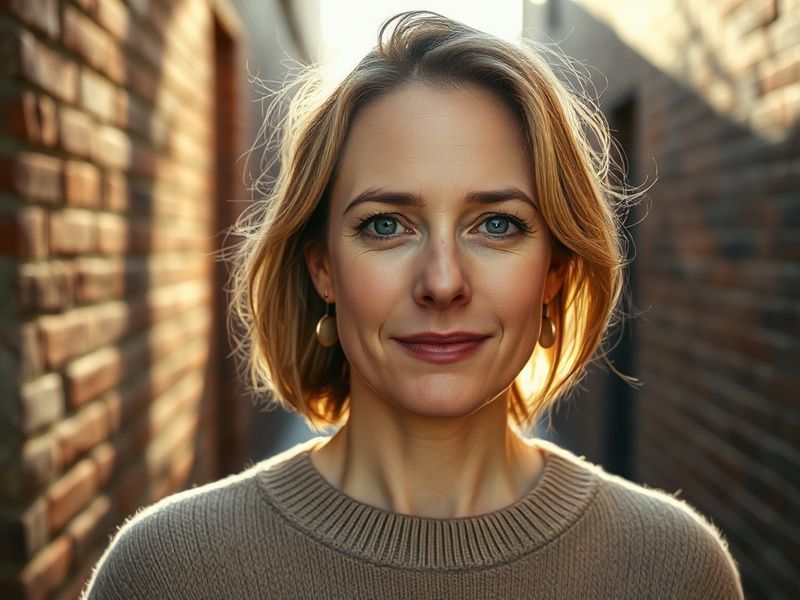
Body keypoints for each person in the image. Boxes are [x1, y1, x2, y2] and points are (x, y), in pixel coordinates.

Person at [83, 12, 743, 599]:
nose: (443, 281)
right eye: (385, 225)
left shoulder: (675, 569)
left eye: (497, 224)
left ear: (554, 271)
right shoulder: (166, 571)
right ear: (323, 269)